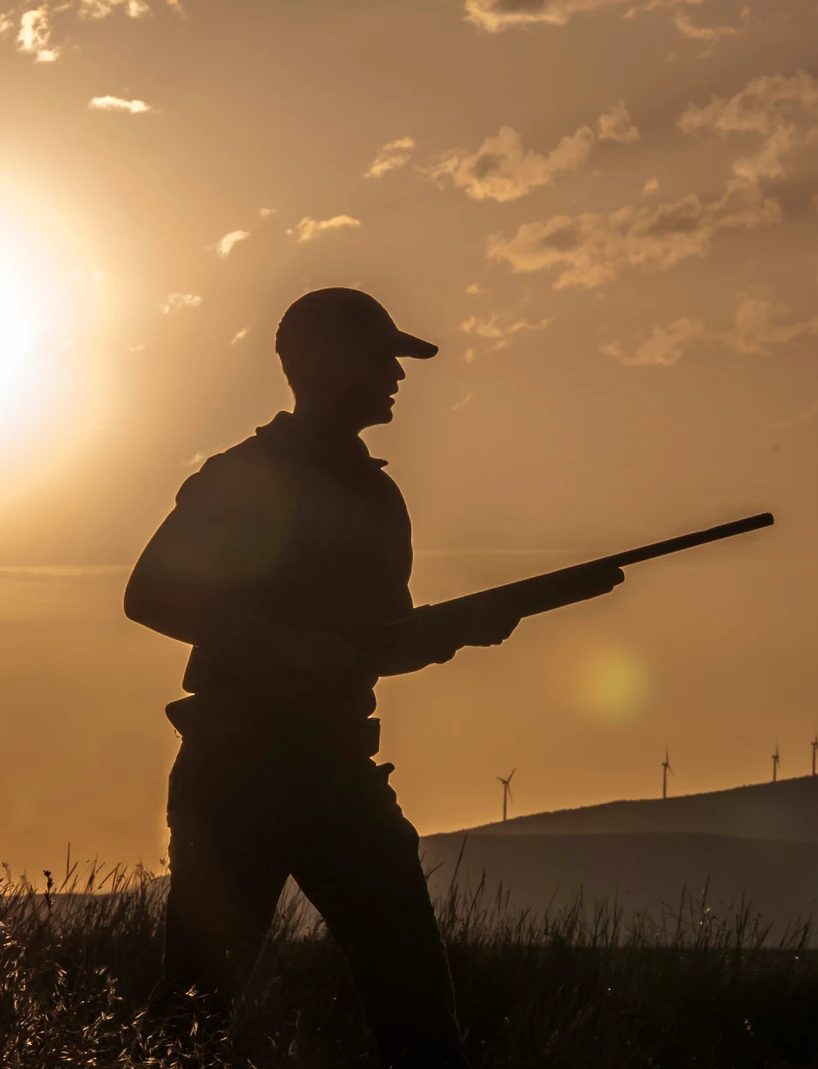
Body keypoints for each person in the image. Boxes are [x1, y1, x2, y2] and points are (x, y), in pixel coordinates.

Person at [124, 287, 622, 1067]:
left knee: (418, 1009)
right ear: (319, 362)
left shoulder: (378, 495)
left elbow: (382, 641)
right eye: (379, 356)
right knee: (194, 1012)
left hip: (338, 771)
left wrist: (464, 628)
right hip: (235, 774)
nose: (396, 375)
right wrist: (289, 646)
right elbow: (150, 593)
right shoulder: (244, 477)